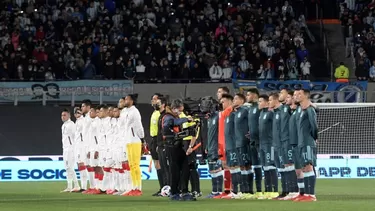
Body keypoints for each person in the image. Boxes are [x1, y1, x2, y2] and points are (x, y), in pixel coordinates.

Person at [161, 99, 194, 201]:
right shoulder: (167, 117)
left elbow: (176, 130)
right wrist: (185, 119)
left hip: (177, 146)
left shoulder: (173, 117)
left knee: (185, 168)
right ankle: (175, 192)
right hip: (171, 147)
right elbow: (169, 125)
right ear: (174, 108)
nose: (180, 113)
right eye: (180, 110)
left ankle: (183, 191)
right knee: (174, 170)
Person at [293, 89, 318, 202]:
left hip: (307, 142)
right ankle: (306, 194)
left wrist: (314, 137)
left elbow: (314, 126)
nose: (296, 96)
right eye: (296, 94)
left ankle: (311, 195)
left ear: (306, 96)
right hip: (301, 142)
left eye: (299, 94)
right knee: (304, 167)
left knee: (308, 166)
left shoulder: (310, 109)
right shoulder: (299, 109)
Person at [121, 94, 145, 196]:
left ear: (131, 101)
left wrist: (142, 138)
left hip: (135, 140)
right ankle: (133, 187)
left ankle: (138, 188)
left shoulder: (135, 112)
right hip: (128, 141)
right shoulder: (125, 111)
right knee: (131, 165)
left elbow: (138, 126)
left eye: (126, 99)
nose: (125, 101)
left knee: (135, 165)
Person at [232, 93, 253, 199]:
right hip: (238, 142)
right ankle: (245, 190)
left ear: (241, 101)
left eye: (236, 99)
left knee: (246, 165)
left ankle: (247, 190)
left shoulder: (245, 110)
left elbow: (250, 123)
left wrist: (249, 134)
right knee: (242, 165)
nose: (233, 101)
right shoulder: (236, 112)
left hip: (244, 142)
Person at [220, 94, 241, 199]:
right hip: (227, 144)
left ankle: (238, 191)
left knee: (235, 166)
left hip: (233, 144)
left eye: (223, 101)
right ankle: (233, 190)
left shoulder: (233, 113)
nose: (221, 104)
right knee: (231, 166)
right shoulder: (227, 115)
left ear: (229, 101)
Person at [258, 95, 278, 199]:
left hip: (270, 144)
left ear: (266, 103)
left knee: (271, 166)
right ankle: (267, 190)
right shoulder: (261, 113)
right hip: (262, 144)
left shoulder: (271, 113)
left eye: (260, 101)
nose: (258, 103)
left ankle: (274, 191)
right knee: (265, 167)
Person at [269, 92, 288, 199]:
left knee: (286, 168)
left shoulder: (283, 111)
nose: (269, 102)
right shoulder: (275, 112)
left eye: (271, 100)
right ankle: (284, 191)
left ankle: (289, 191)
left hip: (282, 145)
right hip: (275, 144)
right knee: (280, 169)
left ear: (276, 100)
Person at [179, 104, 201, 198]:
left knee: (192, 167)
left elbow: (193, 134)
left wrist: (190, 146)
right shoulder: (185, 117)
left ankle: (196, 190)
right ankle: (184, 189)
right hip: (184, 143)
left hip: (189, 143)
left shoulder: (192, 119)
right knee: (185, 168)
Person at [215, 86, 233, 199]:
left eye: (224, 101)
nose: (222, 103)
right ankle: (226, 190)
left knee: (231, 166)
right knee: (224, 165)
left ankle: (232, 190)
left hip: (228, 142)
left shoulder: (230, 110)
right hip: (221, 142)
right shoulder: (222, 111)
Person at [245, 89, 263, 199]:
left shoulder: (259, 107)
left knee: (262, 166)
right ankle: (254, 190)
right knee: (255, 165)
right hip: (252, 140)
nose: (247, 96)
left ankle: (261, 190)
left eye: (248, 94)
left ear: (254, 95)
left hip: (260, 141)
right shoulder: (250, 108)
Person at [283, 91, 300, 200]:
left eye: (289, 97)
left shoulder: (299, 110)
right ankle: (291, 190)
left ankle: (296, 191)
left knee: (295, 167)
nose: (286, 99)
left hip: (294, 142)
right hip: (286, 141)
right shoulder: (288, 110)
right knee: (288, 166)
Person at [204, 101, 222, 198]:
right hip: (210, 147)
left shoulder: (218, 117)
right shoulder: (209, 119)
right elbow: (209, 134)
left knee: (217, 169)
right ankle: (214, 191)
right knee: (212, 170)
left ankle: (219, 191)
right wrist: (207, 146)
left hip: (217, 147)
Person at [60, 108, 80, 193]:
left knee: (70, 167)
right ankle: (70, 186)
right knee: (67, 168)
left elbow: (75, 137)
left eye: (64, 115)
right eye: (62, 115)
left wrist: (74, 147)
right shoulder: (63, 125)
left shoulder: (71, 125)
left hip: (71, 148)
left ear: (69, 115)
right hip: (65, 148)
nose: (62, 117)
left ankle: (76, 185)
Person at [80, 100, 96, 194]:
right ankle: (92, 186)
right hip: (85, 145)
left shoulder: (92, 118)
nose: (82, 108)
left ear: (88, 107)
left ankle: (96, 186)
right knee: (88, 166)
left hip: (91, 145)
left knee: (94, 166)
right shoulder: (85, 118)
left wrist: (93, 147)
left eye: (83, 106)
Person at [150, 93, 164, 196]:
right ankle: (162, 187)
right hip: (153, 139)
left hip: (160, 139)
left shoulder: (161, 113)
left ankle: (166, 187)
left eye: (155, 99)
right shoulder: (154, 112)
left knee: (163, 163)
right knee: (157, 164)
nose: (153, 101)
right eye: (152, 99)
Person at [73, 107, 88, 192]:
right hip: (77, 146)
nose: (77, 114)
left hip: (82, 146)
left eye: (79, 112)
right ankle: (83, 186)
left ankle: (84, 187)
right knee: (80, 166)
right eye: (76, 113)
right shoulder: (77, 122)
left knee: (82, 165)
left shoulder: (83, 121)